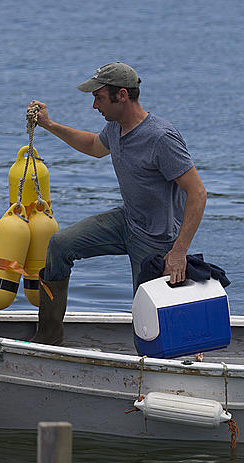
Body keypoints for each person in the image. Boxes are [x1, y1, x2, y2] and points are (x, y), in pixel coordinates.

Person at [27, 62, 207, 345]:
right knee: (59, 245)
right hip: (127, 221)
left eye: (98, 97)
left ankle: (155, 366)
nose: (94, 105)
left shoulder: (161, 137)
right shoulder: (115, 127)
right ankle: (48, 338)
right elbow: (94, 147)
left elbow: (197, 193)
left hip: (156, 239)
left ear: (121, 95)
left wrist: (179, 251)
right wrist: (49, 125)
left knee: (147, 316)